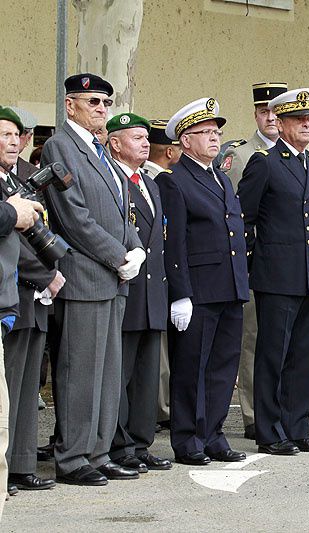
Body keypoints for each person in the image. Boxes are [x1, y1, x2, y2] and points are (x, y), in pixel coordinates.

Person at [41, 73, 145, 485]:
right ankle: (72, 458)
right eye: (93, 102)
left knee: (106, 374)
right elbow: (74, 217)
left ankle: (99, 452)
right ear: (71, 106)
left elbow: (123, 211)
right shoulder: (59, 146)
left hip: (112, 279)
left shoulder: (100, 151)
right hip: (85, 276)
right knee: (80, 372)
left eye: (105, 103)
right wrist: (119, 255)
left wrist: (136, 248)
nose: (102, 109)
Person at [157, 97, 249, 465]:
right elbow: (174, 242)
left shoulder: (222, 178)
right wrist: (181, 294)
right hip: (198, 290)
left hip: (228, 287)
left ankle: (213, 433)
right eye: (205, 132)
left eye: (216, 132)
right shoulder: (175, 181)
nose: (214, 138)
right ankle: (188, 439)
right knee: (191, 368)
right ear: (184, 141)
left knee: (223, 367)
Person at [238, 88, 309, 456]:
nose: (307, 124)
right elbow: (244, 218)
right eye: (298, 119)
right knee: (273, 354)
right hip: (276, 273)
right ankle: (270, 430)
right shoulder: (266, 162)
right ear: (280, 122)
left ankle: (297, 425)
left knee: (304, 355)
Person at [220, 82, 289, 441]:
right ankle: (251, 412)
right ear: (256, 115)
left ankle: (283, 410)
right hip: (253, 260)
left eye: (278, 112)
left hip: (285, 264)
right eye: (265, 112)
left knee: (283, 341)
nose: (272, 119)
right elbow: (235, 212)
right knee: (253, 337)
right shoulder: (241, 154)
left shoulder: (295, 155)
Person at [106, 113, 172, 472]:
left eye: (147, 138)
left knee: (147, 375)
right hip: (127, 290)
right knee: (122, 374)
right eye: (137, 138)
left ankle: (141, 441)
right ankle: (120, 446)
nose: (147, 144)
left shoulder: (150, 181)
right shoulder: (112, 180)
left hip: (152, 294)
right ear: (115, 143)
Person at [0, 106, 59, 494]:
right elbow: (15, 244)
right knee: (11, 386)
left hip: (30, 295)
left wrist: (56, 264)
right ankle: (11, 466)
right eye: (4, 134)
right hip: (17, 292)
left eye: (15, 135)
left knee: (25, 388)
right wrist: (48, 274)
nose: (13, 141)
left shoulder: (15, 181)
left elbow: (37, 231)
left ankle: (19, 464)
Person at [141, 119, 181, 430]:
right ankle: (161, 407)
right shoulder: (162, 182)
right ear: (169, 151)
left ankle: (161, 406)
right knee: (159, 350)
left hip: (159, 273)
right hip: (156, 274)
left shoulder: (153, 180)